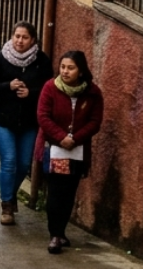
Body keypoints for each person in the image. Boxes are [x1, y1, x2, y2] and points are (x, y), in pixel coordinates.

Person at [0, 22, 53, 226]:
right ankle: (6, 205)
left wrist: (30, 93)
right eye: (17, 36)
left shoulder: (41, 61)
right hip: (3, 119)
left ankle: (11, 193)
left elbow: (49, 88)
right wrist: (9, 86)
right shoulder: (1, 58)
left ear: (33, 40)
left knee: (24, 164)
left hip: (29, 121)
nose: (19, 41)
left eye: (24, 37)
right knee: (9, 160)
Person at [37, 52, 104, 255]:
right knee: (56, 191)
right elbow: (43, 116)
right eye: (63, 66)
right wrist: (61, 137)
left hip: (77, 150)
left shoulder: (92, 93)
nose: (65, 71)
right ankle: (54, 235)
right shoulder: (50, 87)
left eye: (70, 68)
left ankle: (61, 231)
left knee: (69, 192)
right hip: (54, 147)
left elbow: (95, 121)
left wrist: (75, 138)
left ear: (81, 71)